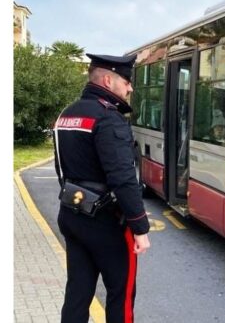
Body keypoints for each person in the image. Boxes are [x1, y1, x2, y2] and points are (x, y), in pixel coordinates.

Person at [53, 53, 151, 323]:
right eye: (127, 81)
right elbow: (123, 178)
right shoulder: (109, 118)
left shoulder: (67, 114)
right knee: (121, 295)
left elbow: (60, 167)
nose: (130, 88)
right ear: (109, 80)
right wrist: (140, 227)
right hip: (107, 223)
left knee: (77, 293)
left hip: (72, 214)